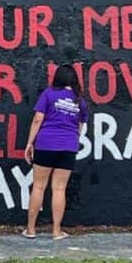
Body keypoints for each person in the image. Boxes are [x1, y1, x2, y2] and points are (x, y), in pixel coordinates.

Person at [23, 64, 89, 240]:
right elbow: (80, 126)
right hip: (68, 147)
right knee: (59, 189)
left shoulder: (49, 94)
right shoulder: (79, 100)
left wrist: (30, 143)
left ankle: (30, 229)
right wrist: (71, 139)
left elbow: (38, 119)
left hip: (45, 144)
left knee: (38, 187)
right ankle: (56, 231)